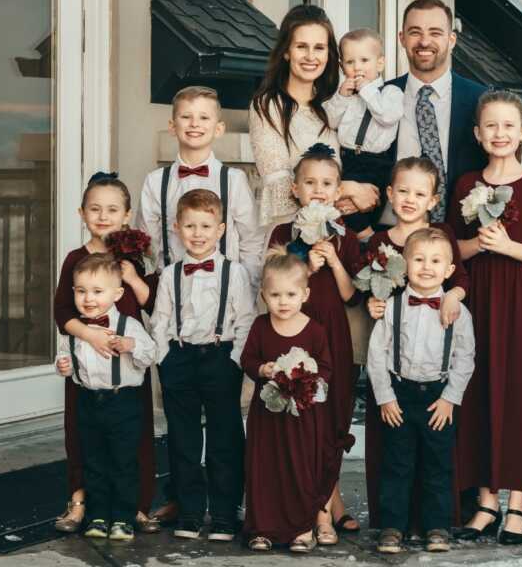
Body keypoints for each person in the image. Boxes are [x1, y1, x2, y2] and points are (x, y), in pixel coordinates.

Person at [447, 91, 522, 544]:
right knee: (478, 393)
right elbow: (453, 248)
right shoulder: (467, 183)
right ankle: (486, 502)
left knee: (517, 396)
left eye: (508, 126)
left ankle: (517, 504)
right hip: (478, 301)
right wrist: (479, 243)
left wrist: (508, 245)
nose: (499, 134)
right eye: (490, 126)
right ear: (478, 133)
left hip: (520, 306)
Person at [363, 156, 469, 530]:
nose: (409, 199)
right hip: (395, 363)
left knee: (438, 461)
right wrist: (372, 301)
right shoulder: (379, 240)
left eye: (419, 192)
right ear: (390, 195)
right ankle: (392, 524)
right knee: (395, 458)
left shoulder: (442, 236)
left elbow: (461, 279)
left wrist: (453, 295)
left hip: (436, 367)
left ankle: (435, 525)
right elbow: (370, 286)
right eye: (403, 191)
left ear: (432, 199)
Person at [53, 173, 160, 535]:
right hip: (86, 366)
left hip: (127, 371)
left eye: (112, 209)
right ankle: (80, 499)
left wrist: (131, 276)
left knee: (135, 437)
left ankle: (137, 505)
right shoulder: (75, 259)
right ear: (81, 213)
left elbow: (153, 303)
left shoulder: (133, 259)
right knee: (83, 437)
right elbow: (62, 312)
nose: (103, 215)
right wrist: (90, 335)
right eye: (95, 209)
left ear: (126, 215)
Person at [267, 144, 363, 538]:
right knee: (303, 419)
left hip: (333, 334)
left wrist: (335, 260)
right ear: (295, 188)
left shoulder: (347, 236)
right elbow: (274, 285)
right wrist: (306, 264)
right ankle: (316, 507)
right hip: (294, 332)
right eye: (310, 183)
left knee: (334, 416)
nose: (318, 190)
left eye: (326, 183)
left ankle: (328, 501)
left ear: (338, 189)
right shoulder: (281, 233)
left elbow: (350, 296)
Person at [150, 189, 256, 541]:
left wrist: (233, 362)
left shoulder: (235, 273)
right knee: (183, 438)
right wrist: (165, 358)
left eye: (206, 226)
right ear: (177, 228)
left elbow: (245, 322)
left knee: (225, 438)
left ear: (221, 229)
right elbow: (160, 322)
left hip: (220, 358)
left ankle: (226, 513)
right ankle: (190, 511)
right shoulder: (169, 275)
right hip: (179, 358)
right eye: (190, 225)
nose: (198, 233)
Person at [335, 0, 486, 225]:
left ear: (452, 39)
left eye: (435, 32)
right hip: (384, 231)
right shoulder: (376, 97)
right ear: (402, 38)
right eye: (415, 32)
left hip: (457, 236)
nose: (424, 41)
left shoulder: (480, 99)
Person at [249, 4, 379, 228]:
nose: (311, 56)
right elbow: (280, 190)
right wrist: (347, 189)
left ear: (329, 55)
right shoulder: (268, 105)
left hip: (337, 233)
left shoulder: (335, 104)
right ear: (287, 52)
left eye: (319, 48)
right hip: (289, 235)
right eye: (301, 46)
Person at [240, 249, 336, 553]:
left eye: (291, 294)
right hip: (267, 415)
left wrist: (308, 377)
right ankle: (263, 528)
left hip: (302, 417)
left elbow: (326, 369)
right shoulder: (260, 327)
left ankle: (301, 528)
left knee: (299, 467)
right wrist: (263, 369)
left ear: (305, 294)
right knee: (265, 467)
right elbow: (247, 359)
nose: (283, 301)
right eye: (275, 295)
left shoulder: (315, 331)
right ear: (264, 296)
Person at [137, 86, 263, 290]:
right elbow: (148, 243)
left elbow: (251, 241)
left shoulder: (234, 180)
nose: (194, 124)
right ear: (172, 126)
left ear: (219, 128)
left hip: (225, 293)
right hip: (174, 292)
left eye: (204, 117)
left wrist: (247, 289)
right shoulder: (155, 182)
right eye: (186, 116)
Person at [324, 28, 404, 239]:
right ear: (342, 67)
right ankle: (367, 240)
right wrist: (341, 96)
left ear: (380, 63)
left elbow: (386, 116)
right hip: (348, 159)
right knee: (343, 203)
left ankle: (370, 238)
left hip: (376, 162)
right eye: (350, 62)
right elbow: (330, 121)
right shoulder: (345, 95)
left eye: (364, 60)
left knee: (372, 204)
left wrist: (367, 90)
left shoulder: (390, 93)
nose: (357, 67)